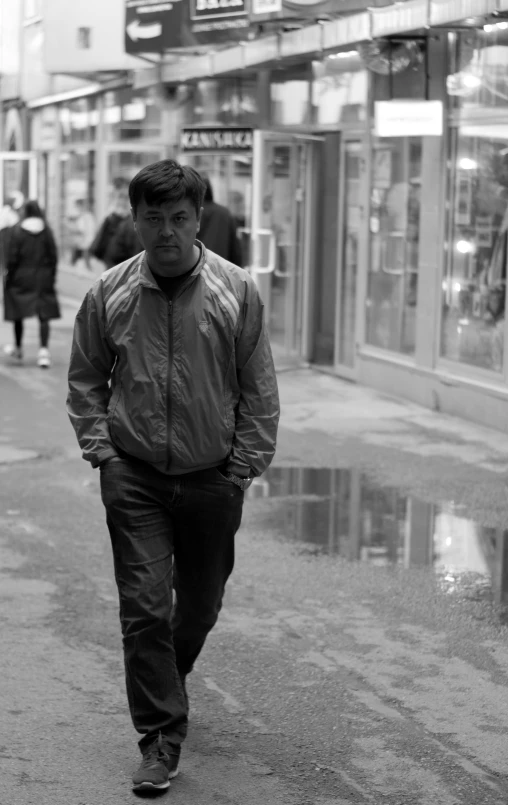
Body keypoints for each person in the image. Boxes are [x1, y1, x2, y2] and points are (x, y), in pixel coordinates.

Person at [67, 159, 280, 793]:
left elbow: (258, 386)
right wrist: (102, 451)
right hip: (133, 475)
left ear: (199, 219)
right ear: (134, 220)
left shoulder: (235, 290)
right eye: (152, 218)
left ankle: (170, 676)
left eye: (179, 218)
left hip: (214, 476)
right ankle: (161, 738)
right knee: (144, 608)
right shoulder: (109, 292)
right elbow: (85, 379)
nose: (166, 231)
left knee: (199, 608)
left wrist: (242, 466)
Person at [3, 200, 59, 368]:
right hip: (43, 277)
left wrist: (9, 276)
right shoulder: (46, 231)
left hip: (21, 277)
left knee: (18, 312)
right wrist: (51, 275)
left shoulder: (17, 231)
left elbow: (12, 257)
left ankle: (18, 347)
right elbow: (53, 255)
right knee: (44, 314)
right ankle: (43, 351)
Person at [198, 176, 243, 266]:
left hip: (195, 270)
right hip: (221, 272)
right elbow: (235, 250)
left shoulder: (190, 214)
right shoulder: (225, 213)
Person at [89, 177, 131, 268]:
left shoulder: (132, 221)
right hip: (112, 268)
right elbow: (98, 247)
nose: (122, 202)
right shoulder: (111, 218)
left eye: (125, 197)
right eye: (120, 197)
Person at [70, 199, 96, 271]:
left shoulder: (86, 216)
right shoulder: (86, 216)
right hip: (85, 242)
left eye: (77, 206)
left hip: (86, 242)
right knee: (83, 259)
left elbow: (81, 230)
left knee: (85, 258)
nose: (77, 208)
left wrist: (71, 228)